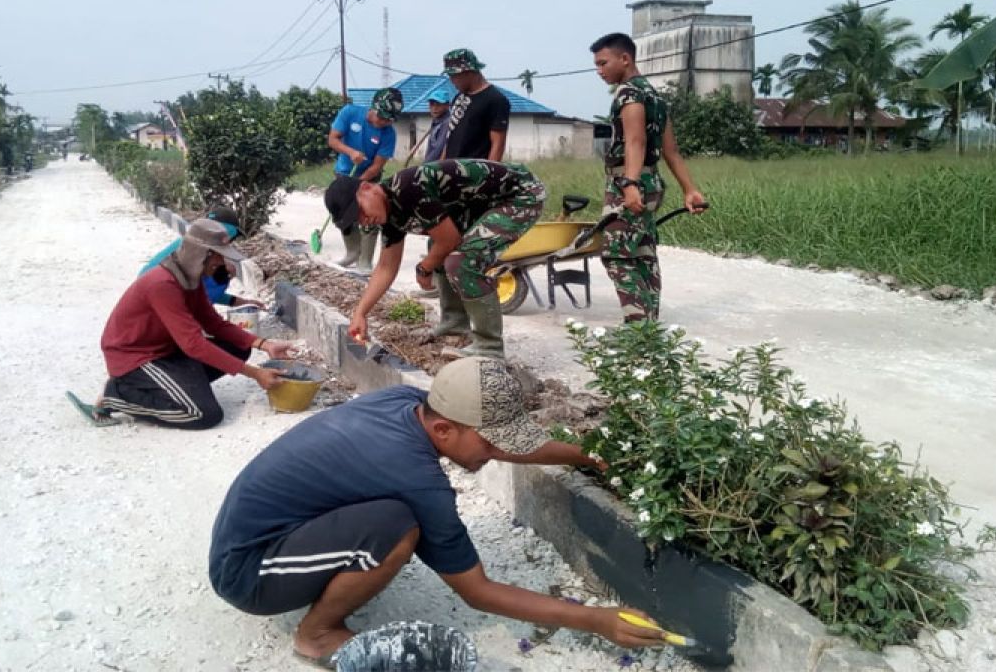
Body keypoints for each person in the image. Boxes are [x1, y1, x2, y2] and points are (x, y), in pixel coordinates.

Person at [208, 356, 664, 668]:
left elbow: (480, 441)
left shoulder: (406, 405)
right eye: (492, 443)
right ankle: (317, 635)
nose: (499, 451)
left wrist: (586, 455)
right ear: (444, 428)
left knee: (394, 518)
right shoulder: (418, 479)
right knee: (397, 527)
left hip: (277, 535)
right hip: (249, 570)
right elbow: (477, 591)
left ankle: (337, 578)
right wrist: (595, 619)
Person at [324, 159, 544, 359]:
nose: (364, 221)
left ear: (367, 188)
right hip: (482, 205)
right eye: (357, 220)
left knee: (461, 260)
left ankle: (489, 347)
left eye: (360, 211)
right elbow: (386, 267)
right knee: (436, 248)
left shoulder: (408, 188)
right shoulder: (389, 212)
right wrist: (360, 314)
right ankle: (454, 324)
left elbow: (449, 240)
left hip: (521, 195)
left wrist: (424, 268)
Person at [91, 219, 294, 429]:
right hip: (136, 359)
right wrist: (255, 373)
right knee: (202, 414)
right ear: (202, 254)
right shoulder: (162, 284)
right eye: (218, 255)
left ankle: (178, 386)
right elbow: (193, 344)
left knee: (238, 348)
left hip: (166, 351)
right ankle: (117, 394)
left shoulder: (190, 278)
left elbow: (213, 324)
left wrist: (264, 344)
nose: (221, 262)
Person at [590, 32, 708, 322]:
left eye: (603, 63)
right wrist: (689, 189)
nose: (599, 71)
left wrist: (629, 185)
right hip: (652, 182)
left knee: (617, 255)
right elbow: (672, 151)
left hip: (630, 183)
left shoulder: (629, 93)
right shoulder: (654, 96)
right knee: (642, 252)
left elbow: (635, 141)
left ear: (625, 58)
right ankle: (649, 326)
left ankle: (638, 328)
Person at [326, 87, 403, 272]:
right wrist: (351, 152)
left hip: (368, 179)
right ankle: (352, 252)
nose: (384, 122)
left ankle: (365, 261)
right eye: (382, 117)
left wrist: (359, 184)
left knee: (370, 215)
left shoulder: (388, 134)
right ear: (374, 107)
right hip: (345, 173)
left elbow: (377, 165)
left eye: (389, 119)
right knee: (343, 213)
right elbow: (333, 140)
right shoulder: (350, 113)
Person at [138, 204, 262, 309]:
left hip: (146, 292)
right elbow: (205, 295)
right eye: (232, 238)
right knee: (222, 275)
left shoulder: (192, 242)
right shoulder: (204, 253)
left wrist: (240, 302)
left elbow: (202, 292)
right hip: (157, 299)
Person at [439, 48, 509, 162]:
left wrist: (490, 176)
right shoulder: (458, 98)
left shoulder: (496, 100)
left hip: (474, 174)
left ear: (469, 72)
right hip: (450, 171)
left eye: (454, 76)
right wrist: (440, 168)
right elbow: (450, 140)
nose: (451, 81)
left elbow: (498, 145)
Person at [421, 90, 452, 163]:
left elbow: (438, 149)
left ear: (447, 106)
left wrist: (425, 165)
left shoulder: (447, 123)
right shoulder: (436, 122)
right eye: (431, 104)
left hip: (439, 165)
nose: (434, 108)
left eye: (438, 104)